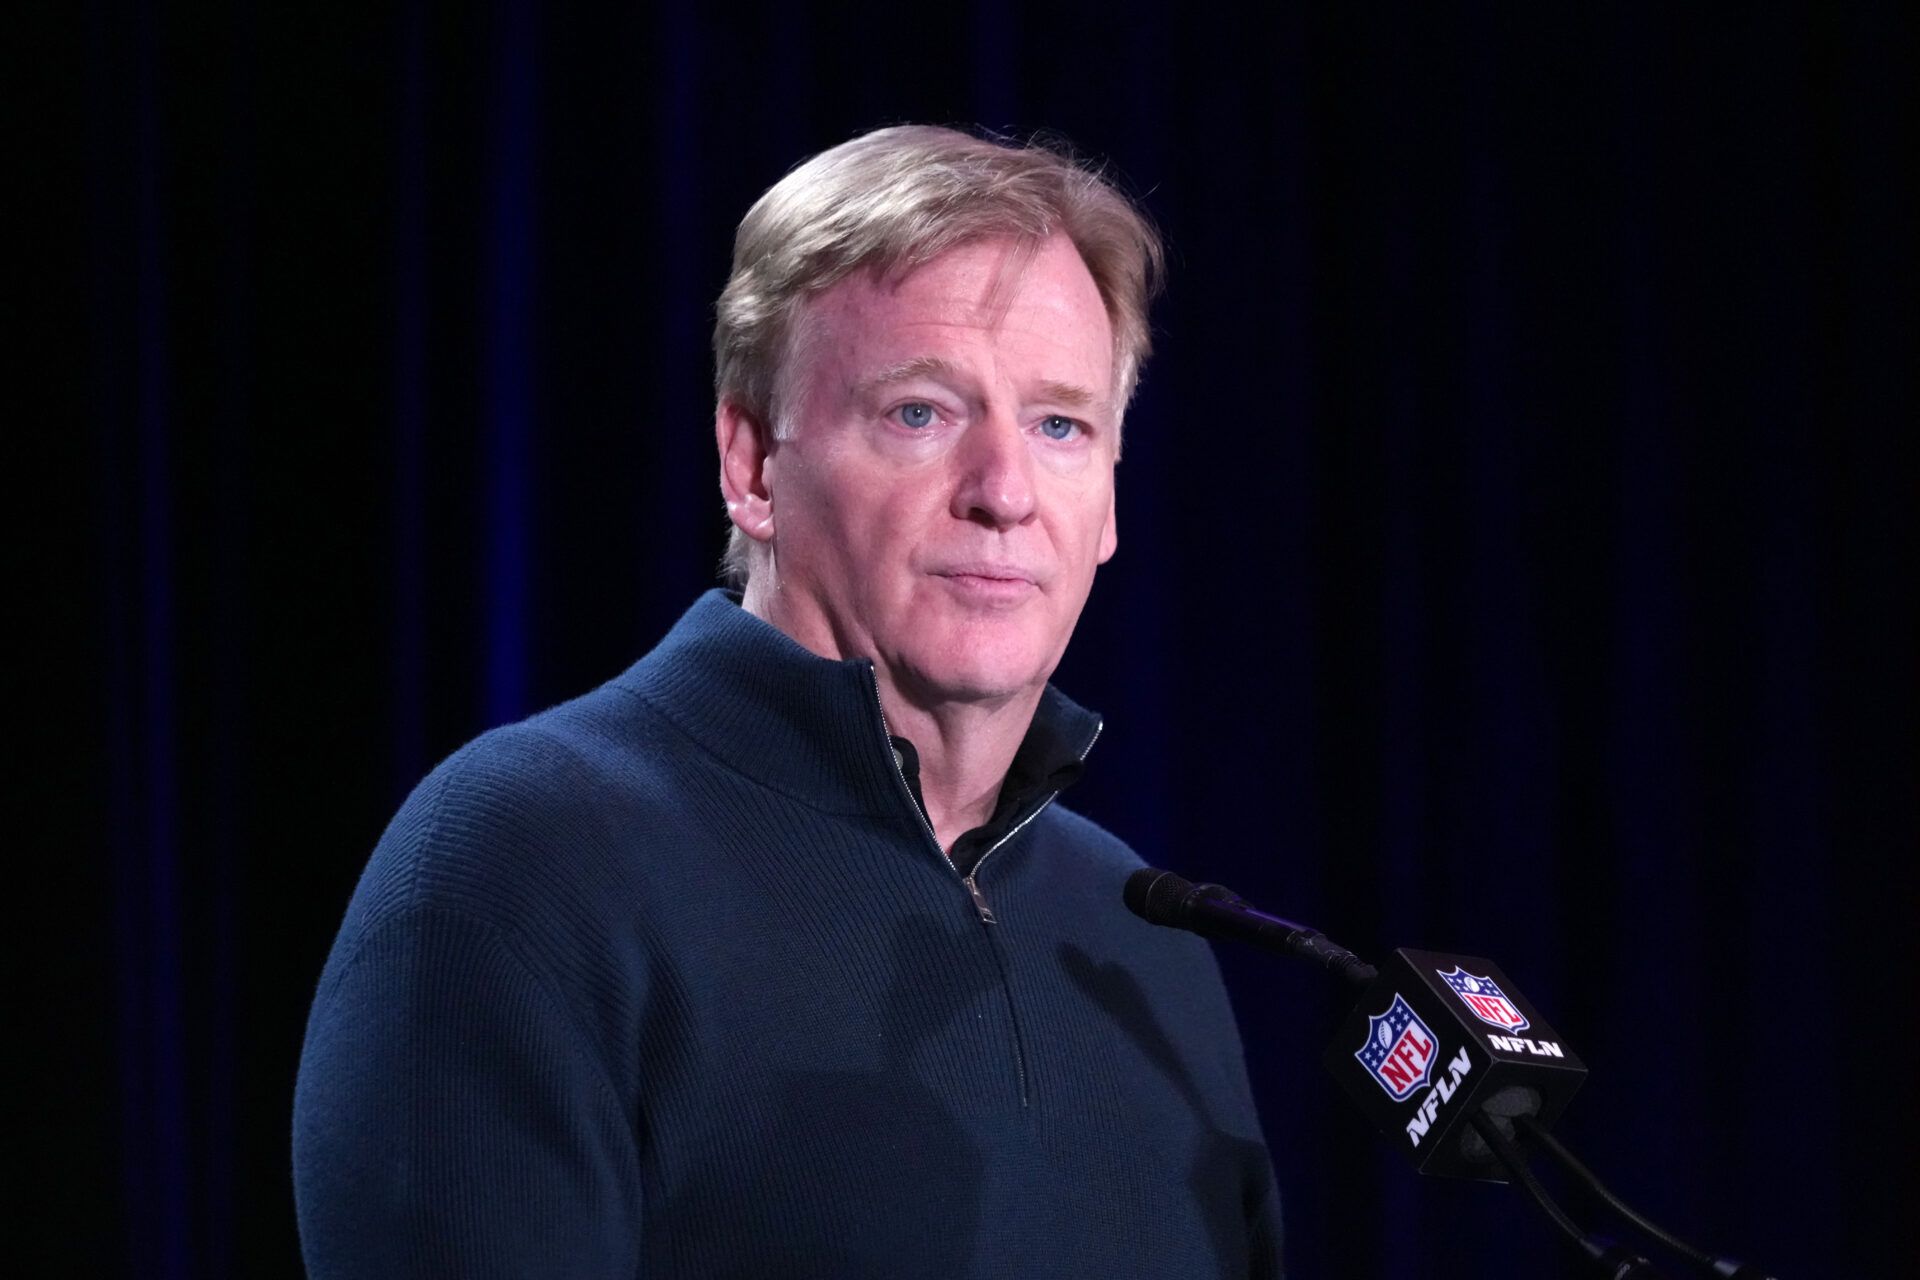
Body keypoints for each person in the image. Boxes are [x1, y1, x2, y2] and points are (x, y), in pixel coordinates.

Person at [294, 124, 1281, 1278]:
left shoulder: (1142, 943)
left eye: (1060, 425)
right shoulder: (521, 860)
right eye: (921, 412)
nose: (1005, 491)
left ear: (1109, 502)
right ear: (753, 462)